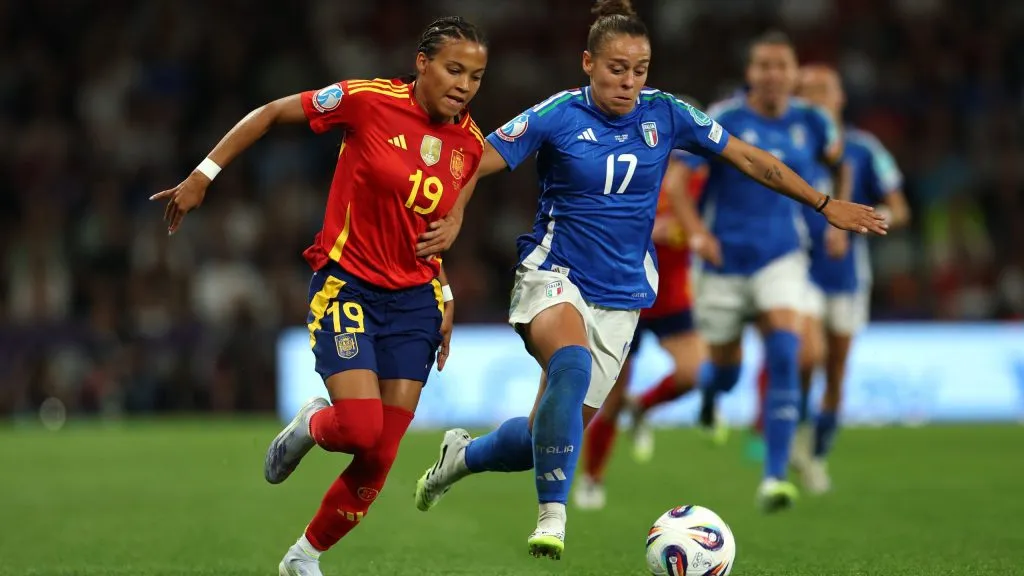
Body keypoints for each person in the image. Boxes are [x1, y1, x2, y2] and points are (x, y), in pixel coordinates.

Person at [411, 1, 885, 559]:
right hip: (553, 272)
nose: (629, 81)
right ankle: (553, 517)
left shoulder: (668, 114)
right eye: (617, 68)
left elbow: (750, 159)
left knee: (546, 436)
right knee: (571, 359)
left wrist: (824, 202)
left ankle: (461, 458)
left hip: (621, 296)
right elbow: (473, 158)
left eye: (640, 69)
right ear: (587, 62)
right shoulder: (558, 114)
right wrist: (458, 211)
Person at [150, 17, 488, 576]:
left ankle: (303, 556)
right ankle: (312, 424)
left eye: (476, 76)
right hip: (347, 284)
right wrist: (204, 174)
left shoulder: (469, 145)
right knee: (358, 428)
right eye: (454, 69)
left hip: (414, 301)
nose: (464, 85)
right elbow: (271, 113)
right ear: (423, 62)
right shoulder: (366, 100)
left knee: (381, 453)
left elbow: (422, 230)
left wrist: (445, 291)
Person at [679, 30, 853, 512]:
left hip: (782, 255)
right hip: (722, 262)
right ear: (750, 73)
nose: (773, 75)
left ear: (795, 74)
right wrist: (697, 231)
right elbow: (677, 182)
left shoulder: (813, 122)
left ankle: (774, 476)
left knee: (786, 348)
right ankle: (712, 399)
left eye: (782, 65)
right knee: (726, 370)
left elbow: (841, 165)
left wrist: (835, 218)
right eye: (764, 65)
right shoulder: (724, 118)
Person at [574, 128, 725, 511]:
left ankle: (642, 409)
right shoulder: (631, 171)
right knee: (610, 394)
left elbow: (705, 226)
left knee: (695, 373)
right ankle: (592, 479)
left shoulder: (701, 182)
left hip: (673, 297)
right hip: (627, 296)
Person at [781, 64, 910, 493]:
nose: (816, 97)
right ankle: (792, 443)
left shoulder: (863, 147)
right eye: (806, 91)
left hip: (848, 278)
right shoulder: (789, 146)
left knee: (835, 372)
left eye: (824, 90)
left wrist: (870, 220)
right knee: (807, 357)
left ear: (840, 98)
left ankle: (815, 456)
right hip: (800, 271)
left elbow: (900, 207)